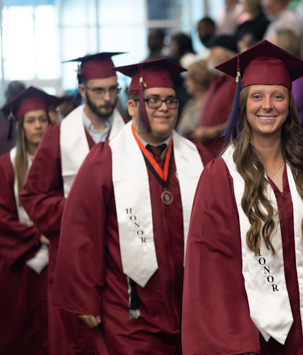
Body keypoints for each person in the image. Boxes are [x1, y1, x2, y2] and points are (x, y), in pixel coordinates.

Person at [182, 40, 303, 354]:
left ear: (289, 104)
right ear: (243, 104)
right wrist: (233, 343)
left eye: (277, 96)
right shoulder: (220, 176)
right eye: (257, 96)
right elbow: (209, 268)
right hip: (253, 339)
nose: (267, 105)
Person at [51, 58, 212, 354]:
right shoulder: (106, 159)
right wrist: (84, 296)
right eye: (153, 100)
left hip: (189, 303)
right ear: (134, 106)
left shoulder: (196, 157)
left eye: (171, 100)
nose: (164, 108)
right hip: (129, 309)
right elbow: (80, 231)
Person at [20, 52, 127, 355]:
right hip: (72, 258)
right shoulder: (59, 135)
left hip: (121, 257)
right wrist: (80, 210)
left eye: (113, 89)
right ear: (82, 90)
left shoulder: (131, 132)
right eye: (98, 90)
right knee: (74, 342)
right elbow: (34, 197)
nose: (107, 98)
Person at [0, 87, 62, 355]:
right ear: (20, 125)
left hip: (60, 261)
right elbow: (1, 216)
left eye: (42, 119)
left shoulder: (65, 161)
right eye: (31, 120)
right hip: (23, 265)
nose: (38, 125)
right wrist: (37, 235)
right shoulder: (6, 165)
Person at [192, 35, 238, 157]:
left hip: (224, 154)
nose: (209, 57)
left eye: (212, 52)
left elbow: (240, 120)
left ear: (224, 54)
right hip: (206, 153)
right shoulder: (215, 80)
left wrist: (212, 132)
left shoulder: (236, 82)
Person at [271, 29, 303, 125]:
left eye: (273, 44)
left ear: (282, 47)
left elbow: (291, 107)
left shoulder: (296, 78)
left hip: (290, 132)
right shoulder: (279, 73)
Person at [177, 60, 211, 138]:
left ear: (198, 78)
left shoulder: (212, 103)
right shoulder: (190, 104)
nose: (185, 84)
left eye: (189, 79)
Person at [0, 81, 26, 155]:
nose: (14, 100)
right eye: (13, 96)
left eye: (18, 97)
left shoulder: (28, 117)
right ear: (6, 95)